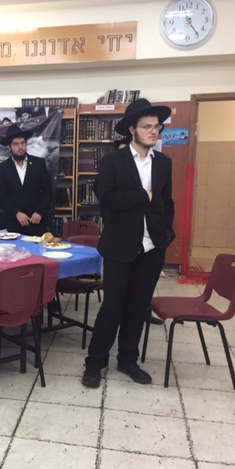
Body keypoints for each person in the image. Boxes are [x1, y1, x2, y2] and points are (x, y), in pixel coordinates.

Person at [82, 98, 175, 388]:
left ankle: (127, 359)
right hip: (119, 247)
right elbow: (107, 200)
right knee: (112, 307)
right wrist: (142, 196)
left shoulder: (164, 163)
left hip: (152, 248)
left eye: (156, 126)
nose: (153, 131)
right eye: (147, 126)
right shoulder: (113, 162)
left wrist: (166, 233)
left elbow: (166, 202)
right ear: (132, 130)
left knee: (138, 307)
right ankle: (95, 363)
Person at [0, 123, 52, 236]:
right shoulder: (3, 167)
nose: (20, 147)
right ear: (9, 147)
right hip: (13, 224)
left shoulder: (39, 164)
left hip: (37, 223)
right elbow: (1, 197)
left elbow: (47, 191)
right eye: (16, 144)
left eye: (22, 143)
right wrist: (17, 213)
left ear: (26, 144)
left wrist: (39, 212)